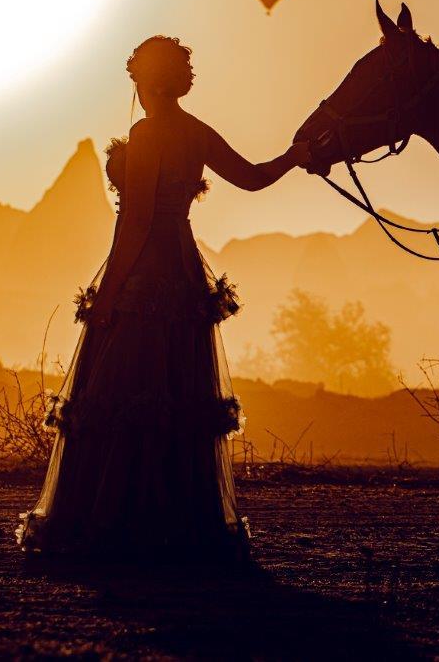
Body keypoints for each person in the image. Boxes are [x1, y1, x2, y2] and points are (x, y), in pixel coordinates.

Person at [16, 35, 309, 561]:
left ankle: (116, 526)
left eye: (135, 80)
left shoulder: (147, 134)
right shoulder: (197, 133)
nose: (136, 90)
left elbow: (136, 220)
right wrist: (299, 156)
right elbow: (255, 177)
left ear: (147, 80)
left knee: (124, 394)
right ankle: (180, 526)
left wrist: (107, 293)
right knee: (177, 396)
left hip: (146, 270)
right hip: (185, 270)